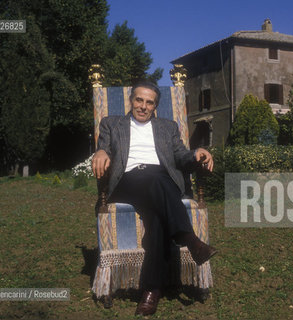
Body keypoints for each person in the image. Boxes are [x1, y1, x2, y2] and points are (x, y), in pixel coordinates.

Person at [91, 81, 216, 316]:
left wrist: (196, 153)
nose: (143, 106)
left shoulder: (167, 127)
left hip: (162, 182)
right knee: (155, 180)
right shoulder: (112, 123)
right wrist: (100, 151)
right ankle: (189, 239)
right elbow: (104, 147)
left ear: (155, 106)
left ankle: (151, 291)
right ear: (131, 100)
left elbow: (180, 155)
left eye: (149, 102)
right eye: (139, 100)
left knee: (158, 218)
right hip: (128, 181)